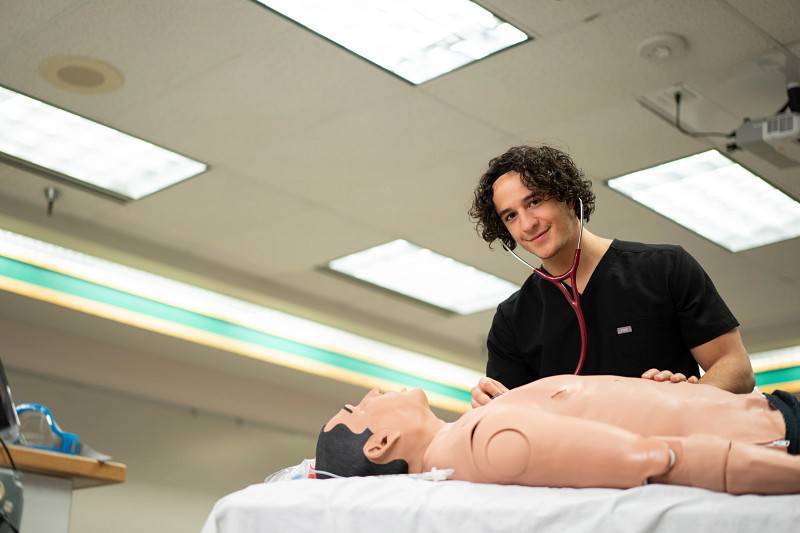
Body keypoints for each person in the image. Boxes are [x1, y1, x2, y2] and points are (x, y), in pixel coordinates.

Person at [467, 145, 755, 406]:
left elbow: (735, 367)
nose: (527, 224)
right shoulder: (512, 321)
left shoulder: (664, 268)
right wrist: (490, 408)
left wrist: (686, 402)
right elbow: (512, 421)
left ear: (567, 196)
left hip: (676, 454)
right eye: (511, 216)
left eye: (534, 201)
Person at [315, 377, 800, 494]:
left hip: (765, 413)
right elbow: (661, 459)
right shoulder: (486, 441)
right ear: (379, 445)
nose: (372, 391)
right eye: (359, 407)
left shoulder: (475, 426)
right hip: (780, 432)